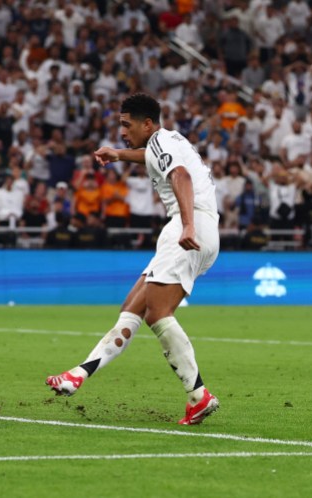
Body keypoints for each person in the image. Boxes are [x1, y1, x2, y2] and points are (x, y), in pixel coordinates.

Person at [47, 94, 221, 426]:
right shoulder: (165, 141)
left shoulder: (160, 143)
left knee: (158, 313)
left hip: (189, 224)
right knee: (132, 308)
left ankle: (198, 395)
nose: (122, 131)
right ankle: (78, 375)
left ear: (147, 124)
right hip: (204, 227)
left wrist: (185, 224)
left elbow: (180, 176)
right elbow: (155, 159)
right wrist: (120, 155)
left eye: (126, 126)